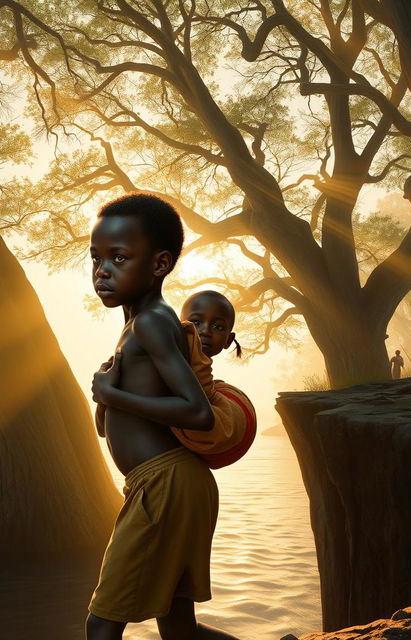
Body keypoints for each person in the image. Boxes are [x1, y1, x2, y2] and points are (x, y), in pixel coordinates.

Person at [87, 193, 238, 640]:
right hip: (164, 484)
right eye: (95, 257)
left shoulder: (153, 321)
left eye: (119, 257)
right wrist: (107, 396)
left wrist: (113, 393)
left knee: (101, 624)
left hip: (165, 483)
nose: (102, 270)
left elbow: (197, 412)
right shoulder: (136, 326)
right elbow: (107, 426)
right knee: (176, 625)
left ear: (159, 264)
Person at [173, 290, 257, 469]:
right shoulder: (163, 360)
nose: (205, 331)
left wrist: (111, 394)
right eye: (195, 322)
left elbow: (199, 401)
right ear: (181, 327)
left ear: (229, 340)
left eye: (218, 327)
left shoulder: (197, 384)